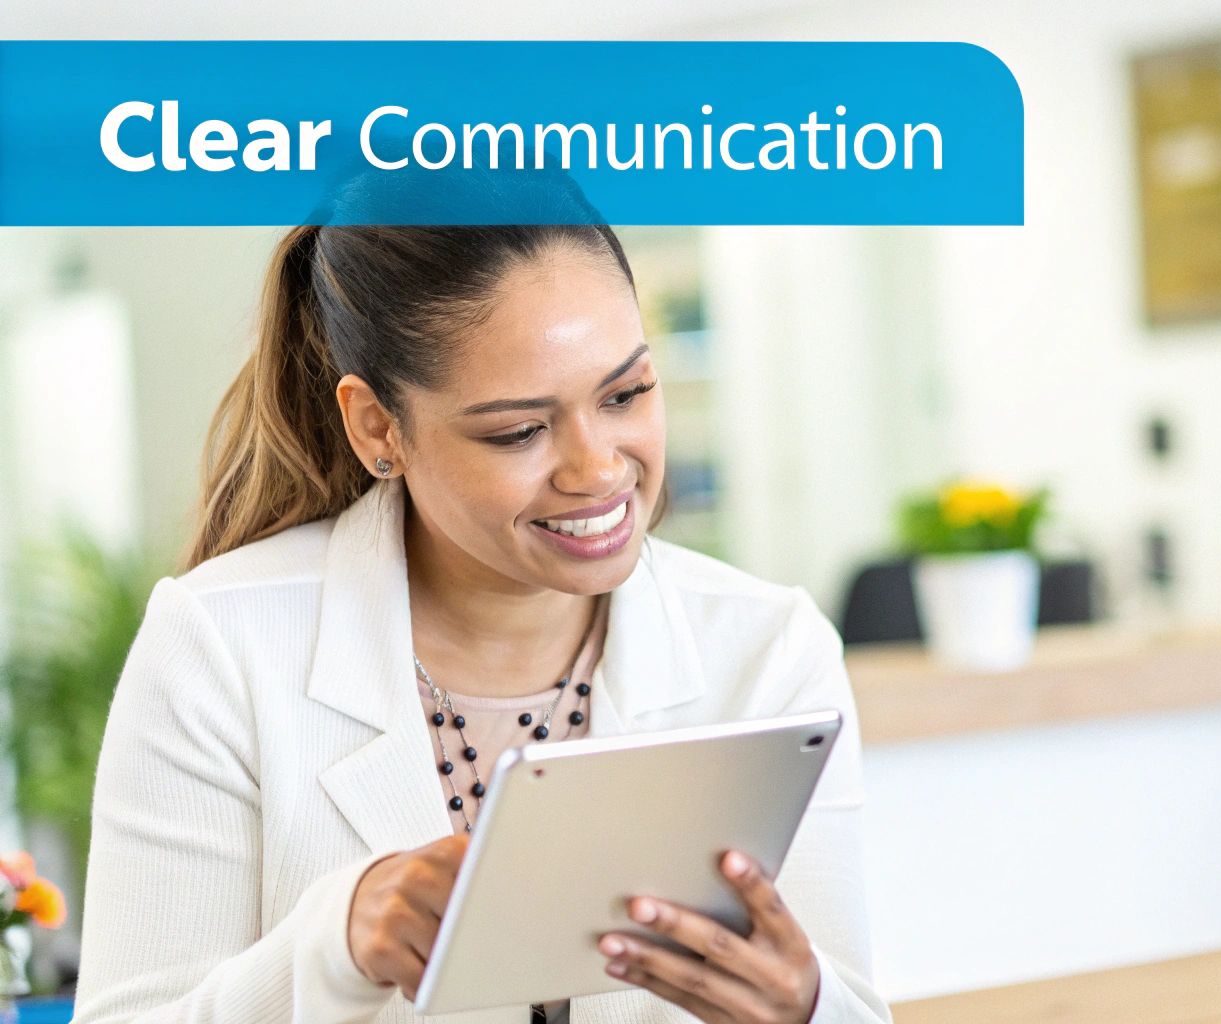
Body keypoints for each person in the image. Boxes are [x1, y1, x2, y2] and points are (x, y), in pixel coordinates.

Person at [72, 183, 890, 1024]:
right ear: (378, 429)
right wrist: (335, 945)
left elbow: (847, 1003)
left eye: (626, 394)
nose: (599, 469)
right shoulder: (220, 643)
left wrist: (806, 1009)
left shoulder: (767, 646)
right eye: (517, 431)